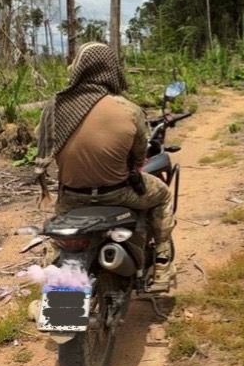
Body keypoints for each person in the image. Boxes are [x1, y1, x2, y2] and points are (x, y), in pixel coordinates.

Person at [36, 42, 175, 289]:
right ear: (112, 69)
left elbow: (45, 145)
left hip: (72, 198)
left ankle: (52, 278)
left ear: (78, 69)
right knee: (163, 195)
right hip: (118, 193)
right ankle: (162, 262)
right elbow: (139, 157)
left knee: (56, 239)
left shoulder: (54, 107)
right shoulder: (128, 109)